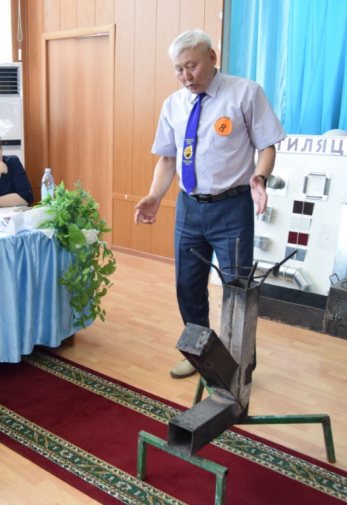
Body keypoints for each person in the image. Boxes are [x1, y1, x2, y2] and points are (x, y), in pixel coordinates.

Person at [135, 30, 286, 379]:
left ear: (212, 57)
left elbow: (267, 145)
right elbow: (168, 159)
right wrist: (155, 196)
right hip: (189, 208)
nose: (185, 76)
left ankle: (239, 365)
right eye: (178, 69)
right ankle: (199, 355)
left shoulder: (245, 93)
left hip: (232, 208)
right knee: (187, 286)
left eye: (192, 66)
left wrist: (260, 177)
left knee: (236, 290)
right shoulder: (173, 105)